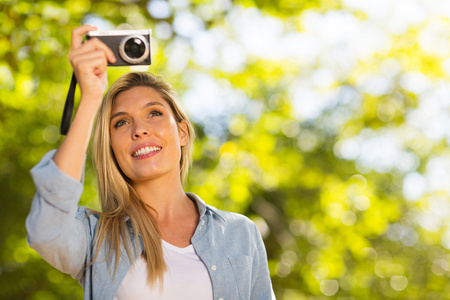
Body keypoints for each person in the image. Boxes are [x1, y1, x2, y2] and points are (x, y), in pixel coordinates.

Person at [26, 25, 275, 300]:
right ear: (111, 147)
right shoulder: (95, 238)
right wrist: (90, 99)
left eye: (154, 113)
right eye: (121, 122)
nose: (139, 129)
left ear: (182, 132)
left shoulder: (240, 234)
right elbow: (45, 232)